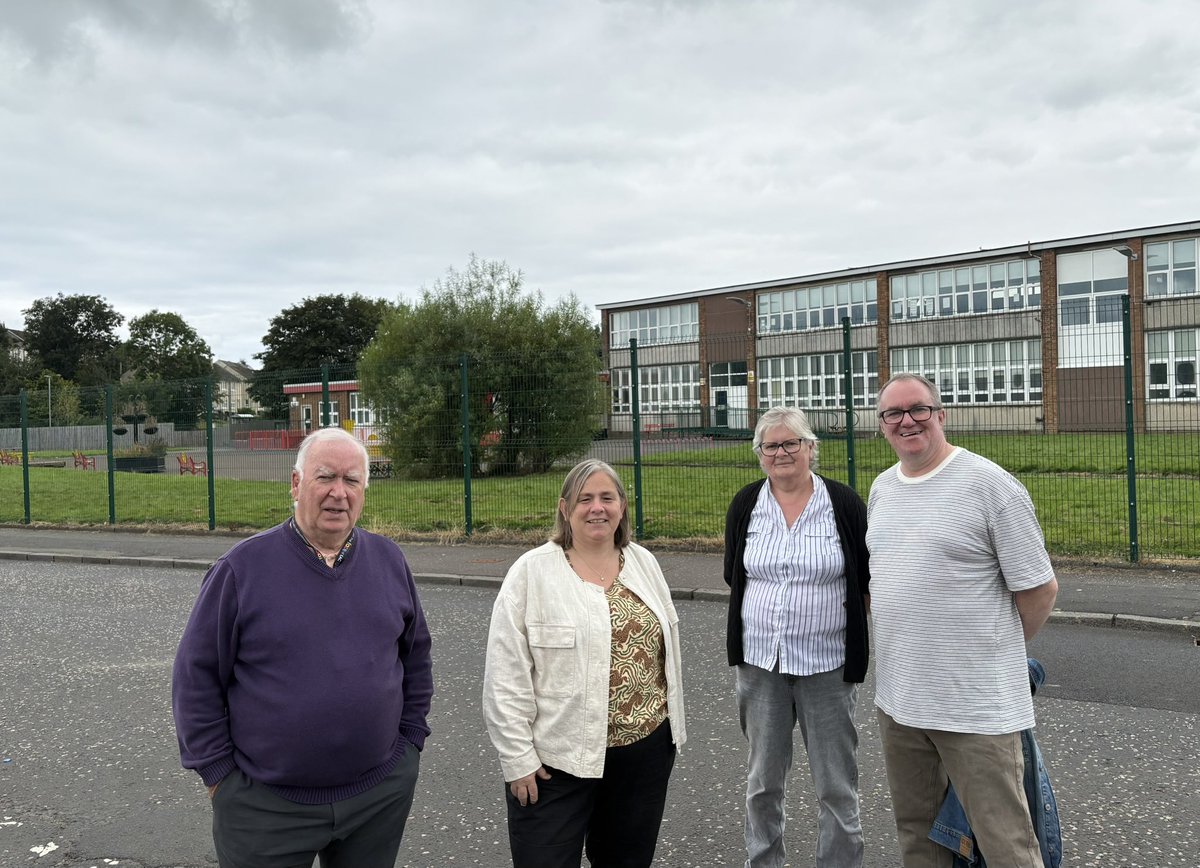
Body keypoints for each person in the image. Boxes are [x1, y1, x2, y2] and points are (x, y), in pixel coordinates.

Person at [172, 426, 433, 868]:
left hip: (378, 796)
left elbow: (415, 656)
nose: (339, 493)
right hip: (266, 808)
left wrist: (409, 742)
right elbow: (195, 677)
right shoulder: (241, 570)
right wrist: (219, 776)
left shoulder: (389, 560)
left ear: (364, 490)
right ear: (296, 484)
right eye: (325, 477)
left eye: (351, 481)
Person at [867, 373, 1059, 868]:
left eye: (918, 409)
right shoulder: (882, 489)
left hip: (976, 709)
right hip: (901, 703)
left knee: (1007, 843)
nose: (907, 421)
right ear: (883, 426)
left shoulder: (990, 485)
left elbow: (1038, 590)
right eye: (894, 413)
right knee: (918, 838)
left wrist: (992, 656)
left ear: (940, 415)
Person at [483, 458, 686, 868]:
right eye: (585, 499)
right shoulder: (532, 573)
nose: (598, 508)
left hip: (642, 755)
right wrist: (518, 759)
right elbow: (505, 676)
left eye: (607, 498)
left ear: (622, 506)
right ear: (565, 509)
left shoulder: (644, 562)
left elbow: (665, 654)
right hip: (555, 762)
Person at [724, 406, 871, 868]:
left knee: (835, 786)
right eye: (772, 445)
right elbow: (736, 575)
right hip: (760, 664)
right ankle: (763, 862)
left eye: (792, 443)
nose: (782, 452)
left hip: (826, 666)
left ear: (811, 448)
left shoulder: (843, 504)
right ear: (760, 455)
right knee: (763, 784)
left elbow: (864, 580)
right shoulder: (746, 504)